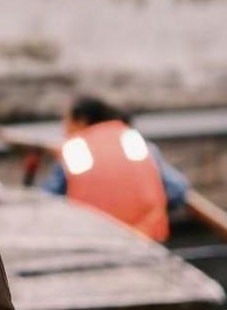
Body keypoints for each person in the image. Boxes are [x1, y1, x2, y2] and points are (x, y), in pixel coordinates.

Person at [36, 93, 190, 241]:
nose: (63, 130)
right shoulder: (134, 141)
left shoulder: (75, 149)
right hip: (144, 240)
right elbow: (177, 190)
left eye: (66, 121)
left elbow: (46, 202)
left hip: (94, 242)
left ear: (81, 121)